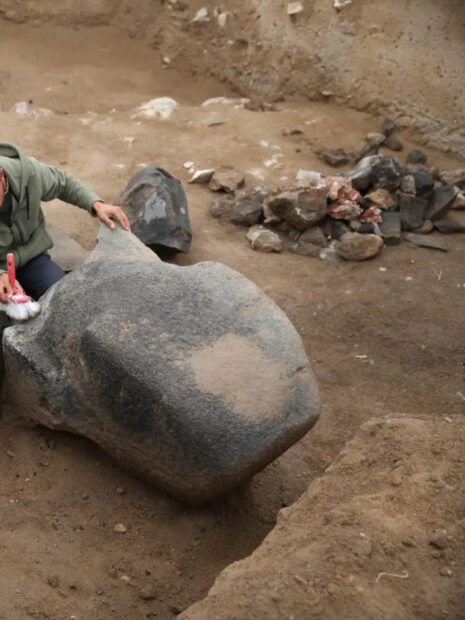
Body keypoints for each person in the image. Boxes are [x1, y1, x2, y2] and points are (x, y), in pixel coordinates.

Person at [0, 142, 130, 303]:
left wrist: (96, 204)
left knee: (65, 300)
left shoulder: (27, 174)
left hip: (31, 259)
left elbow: (63, 183)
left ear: (1, 176)